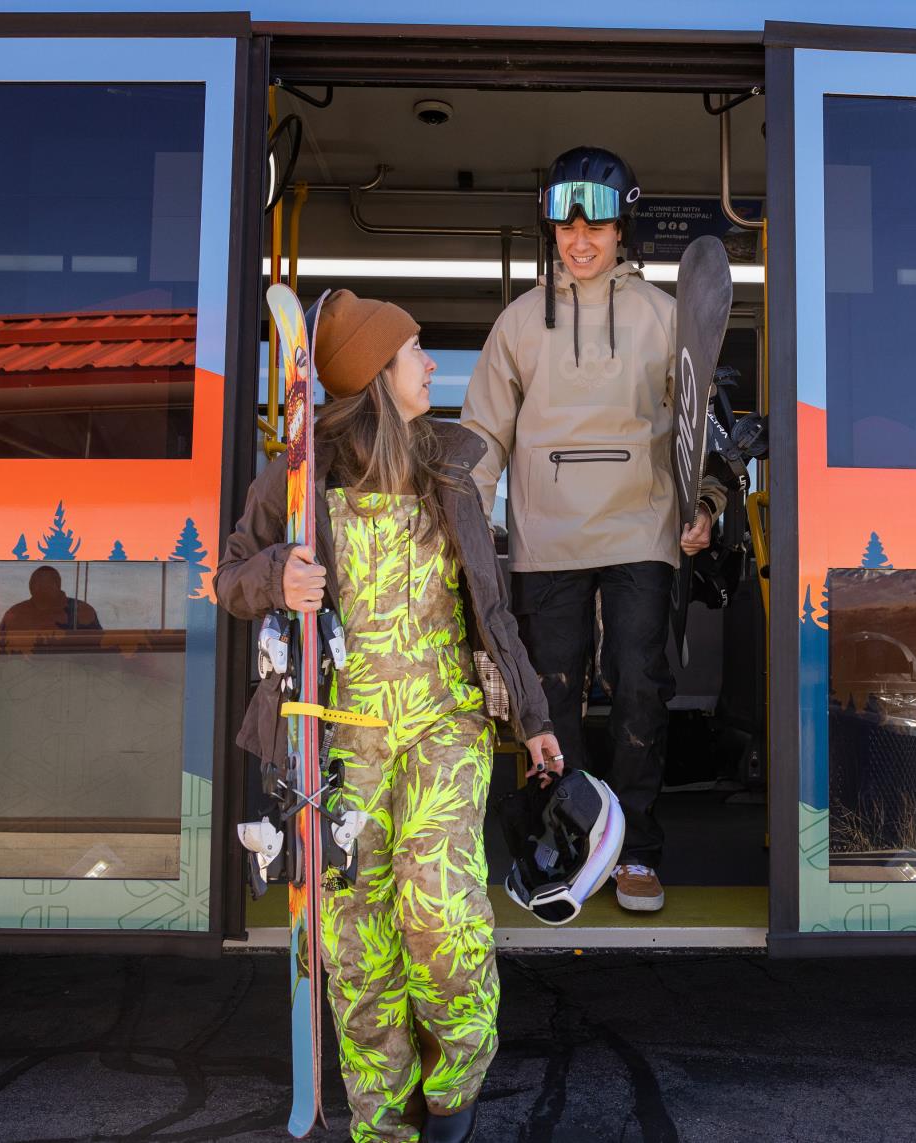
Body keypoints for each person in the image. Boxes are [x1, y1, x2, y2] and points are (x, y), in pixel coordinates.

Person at [215, 292, 561, 1143]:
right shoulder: (299, 478)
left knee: (439, 914)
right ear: (376, 374)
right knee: (360, 946)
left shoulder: (450, 471)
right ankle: (383, 1119)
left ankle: (454, 1097)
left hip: (444, 723)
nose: (431, 366)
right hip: (337, 738)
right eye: (415, 351)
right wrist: (276, 577)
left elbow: (492, 608)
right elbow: (228, 576)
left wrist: (536, 716)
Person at [461, 145, 726, 913]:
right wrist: (471, 529)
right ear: (550, 226)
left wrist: (701, 505)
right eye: (566, 224)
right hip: (547, 538)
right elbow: (481, 439)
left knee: (641, 687)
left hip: (643, 530)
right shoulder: (517, 325)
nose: (580, 240)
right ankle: (570, 847)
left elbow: (699, 427)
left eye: (597, 225)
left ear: (622, 227)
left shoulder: (663, 316)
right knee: (547, 700)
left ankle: (637, 848)